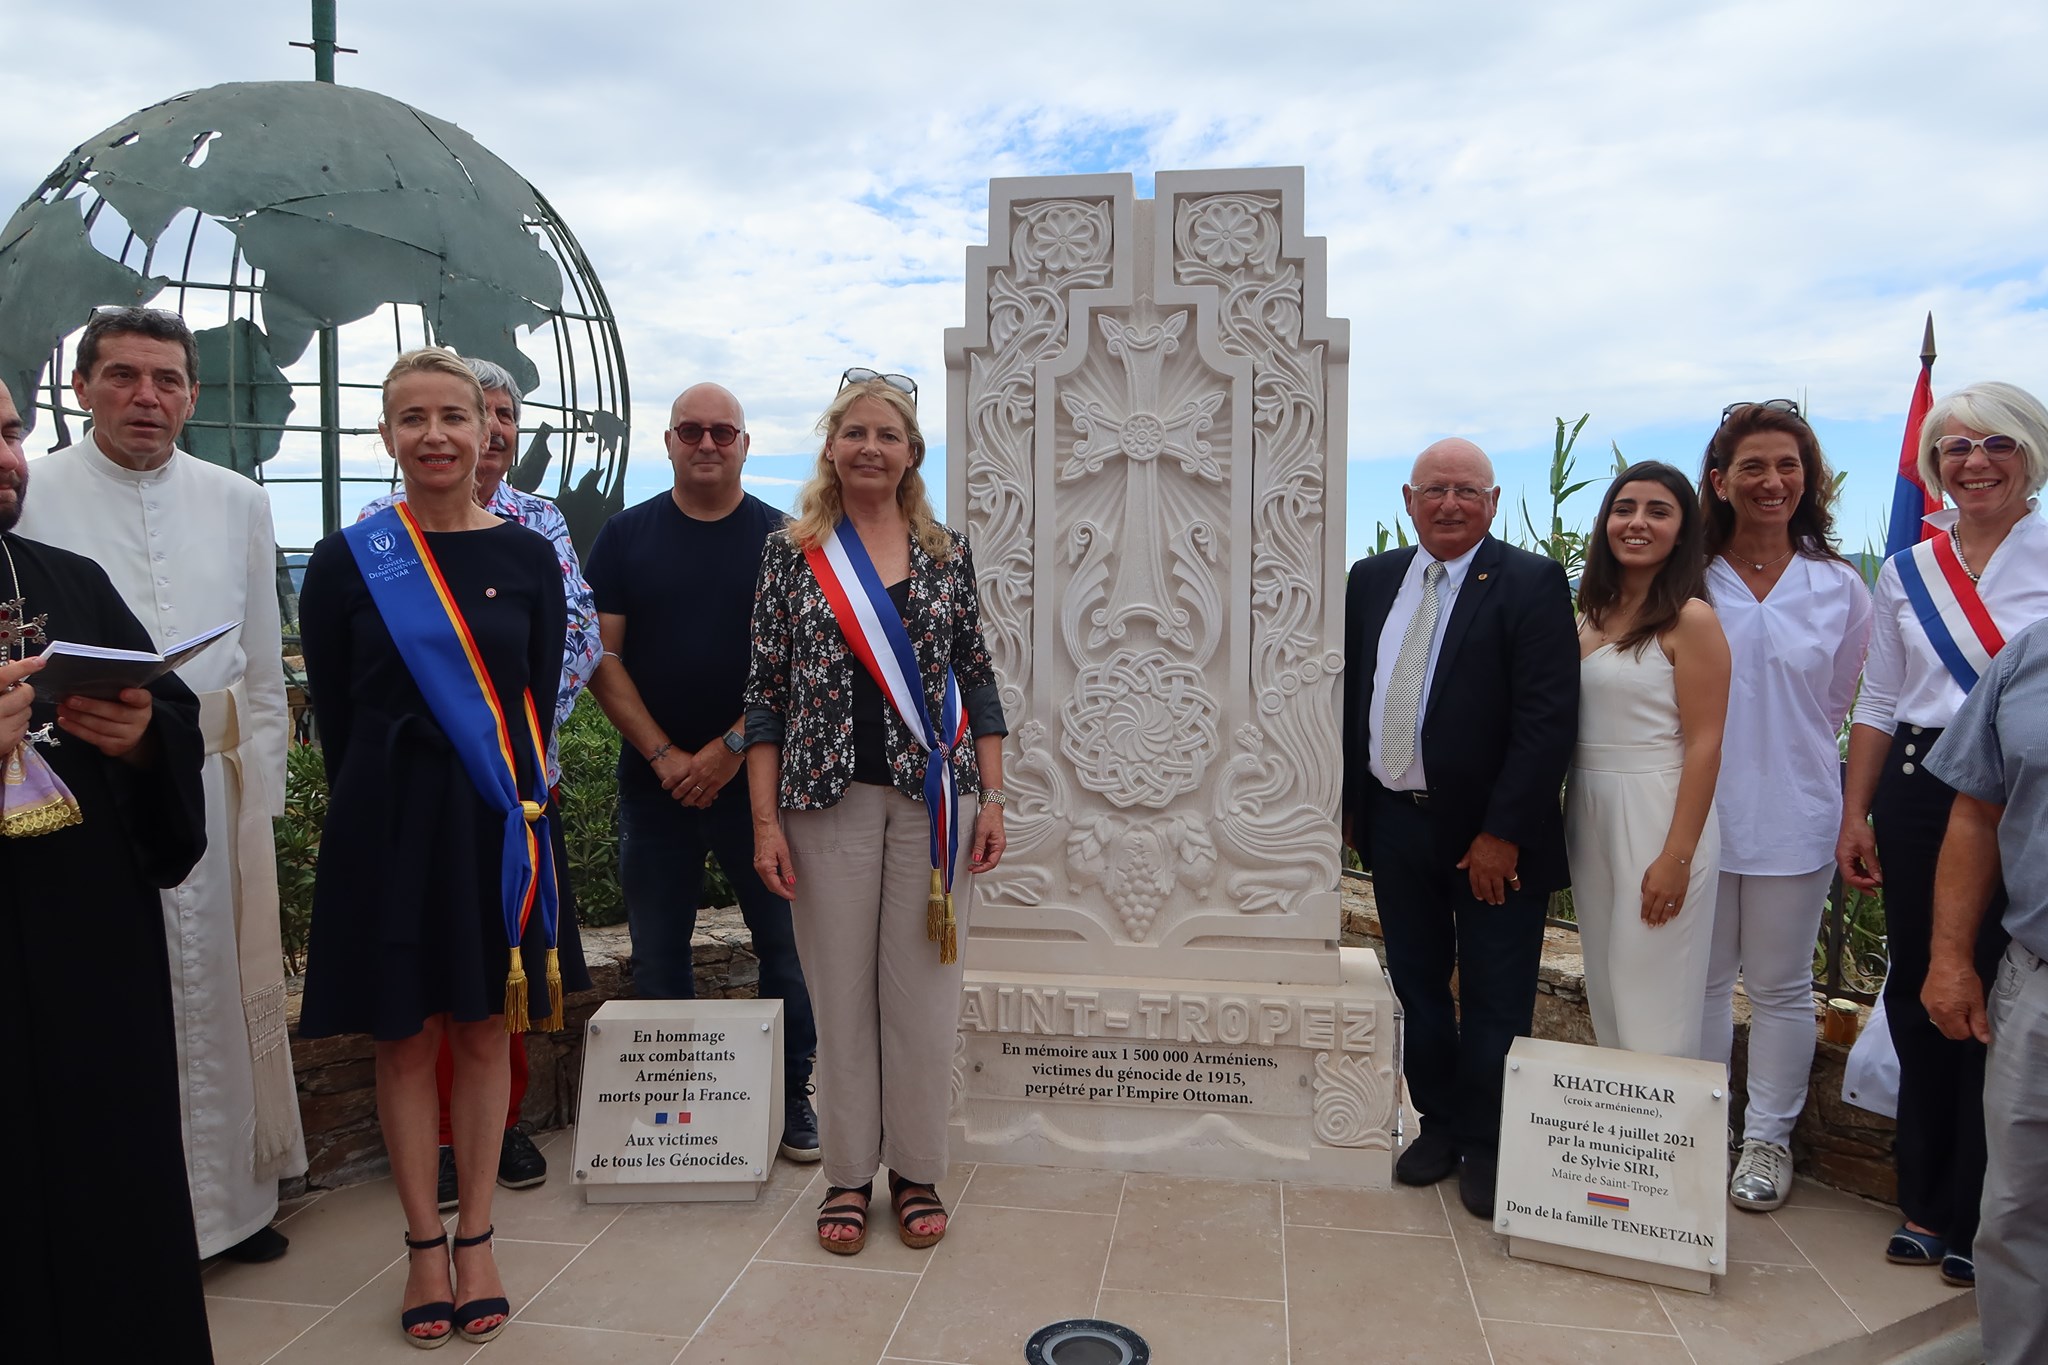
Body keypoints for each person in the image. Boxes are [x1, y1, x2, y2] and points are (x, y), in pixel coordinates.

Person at [298, 349, 583, 1347]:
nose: (435, 435)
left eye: (453, 416)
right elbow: (333, 712)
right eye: (411, 417)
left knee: (480, 1030)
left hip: (490, 823)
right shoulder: (350, 558)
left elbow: (535, 702)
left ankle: (481, 1237)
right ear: (386, 435)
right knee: (403, 1036)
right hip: (386, 825)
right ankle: (423, 1243)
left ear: (487, 431)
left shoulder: (528, 557)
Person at [16, 306, 305, 1263]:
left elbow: (264, 671)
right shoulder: (36, 496)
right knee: (118, 1008)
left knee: (221, 998)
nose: (148, 397)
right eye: (124, 376)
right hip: (76, 800)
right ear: (81, 387)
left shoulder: (238, 499)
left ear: (192, 394)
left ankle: (234, 1204)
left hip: (209, 791)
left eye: (168, 380)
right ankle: (139, 1221)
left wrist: (257, 794)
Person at [744, 373, 1006, 1254]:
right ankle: (849, 1174)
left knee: (924, 996)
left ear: (911, 452)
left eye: (887, 434)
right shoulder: (791, 553)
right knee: (840, 993)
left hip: (934, 803)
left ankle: (919, 1168)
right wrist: (764, 822)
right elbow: (765, 695)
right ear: (829, 446)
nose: (869, 447)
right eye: (853, 432)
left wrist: (995, 796)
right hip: (823, 801)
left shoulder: (945, 552)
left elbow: (978, 675)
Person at [3, 377, 214, 1360]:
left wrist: (137, 738)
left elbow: (165, 720)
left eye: (9, 433)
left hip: (89, 956)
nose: (6, 459)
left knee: (111, 1190)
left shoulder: (65, 577)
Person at [359, 356, 603, 1204]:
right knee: (422, 992)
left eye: (493, 414)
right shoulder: (372, 533)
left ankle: (498, 1132)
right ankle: (433, 1151)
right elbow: (352, 689)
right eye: (473, 411)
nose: (480, 430)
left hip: (514, 788)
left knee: (506, 978)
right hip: (412, 802)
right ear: (393, 431)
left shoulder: (540, 526)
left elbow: (574, 647)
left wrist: (505, 739)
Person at [1838, 380, 2048, 1285]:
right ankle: (1927, 1198)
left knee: (2011, 998)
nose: (1975, 462)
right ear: (1934, 467)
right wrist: (1857, 807)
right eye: (1955, 448)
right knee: (1928, 984)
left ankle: (1990, 1205)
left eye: (1996, 443)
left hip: (2032, 787)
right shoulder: (1908, 569)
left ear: (2030, 452)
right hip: (1923, 789)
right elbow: (1880, 701)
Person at [1341, 437, 1580, 1219]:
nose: (1450, 503)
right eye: (1434, 489)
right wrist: (1352, 807)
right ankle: (1438, 1123)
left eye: (1466, 491)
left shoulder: (1531, 582)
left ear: (1494, 502)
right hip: (1395, 826)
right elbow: (1354, 699)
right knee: (1415, 985)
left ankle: (1489, 1139)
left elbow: (1547, 720)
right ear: (1407, 500)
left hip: (1490, 838)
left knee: (1496, 996)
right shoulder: (1372, 580)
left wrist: (1503, 832)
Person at [584, 382, 821, 1161]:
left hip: (759, 787)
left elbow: (794, 670)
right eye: (692, 430)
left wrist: (725, 751)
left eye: (724, 430)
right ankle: (677, 1117)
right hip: (652, 788)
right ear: (669, 441)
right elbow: (602, 656)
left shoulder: (788, 543)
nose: (708, 443)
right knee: (659, 954)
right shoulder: (624, 536)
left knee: (784, 951)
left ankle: (793, 1103)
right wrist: (665, 755)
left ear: (747, 443)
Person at [1695, 402, 1872, 1212]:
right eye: (1754, 466)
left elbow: (1835, 703)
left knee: (1780, 987)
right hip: (1692, 816)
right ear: (1720, 479)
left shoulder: (1839, 586)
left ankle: (1765, 1139)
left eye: (1788, 466)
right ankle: (1695, 1130)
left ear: (1809, 479)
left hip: (1796, 813)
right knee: (1697, 983)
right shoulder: (1687, 576)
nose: (1772, 482)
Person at [1566, 462, 1730, 1059]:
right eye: (1623, 508)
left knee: (1653, 1003)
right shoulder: (1585, 617)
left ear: (1683, 530)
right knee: (1609, 995)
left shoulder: (1691, 619)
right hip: (1589, 811)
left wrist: (1676, 856)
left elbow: (1707, 742)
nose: (1636, 522)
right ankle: (1618, 1145)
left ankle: (1665, 1146)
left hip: (1657, 811)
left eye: (1657, 511)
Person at [1922, 617, 2048, 1365]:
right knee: (2013, 1213)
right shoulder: (2032, 653)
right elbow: (1976, 810)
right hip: (2035, 985)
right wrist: (1948, 957)